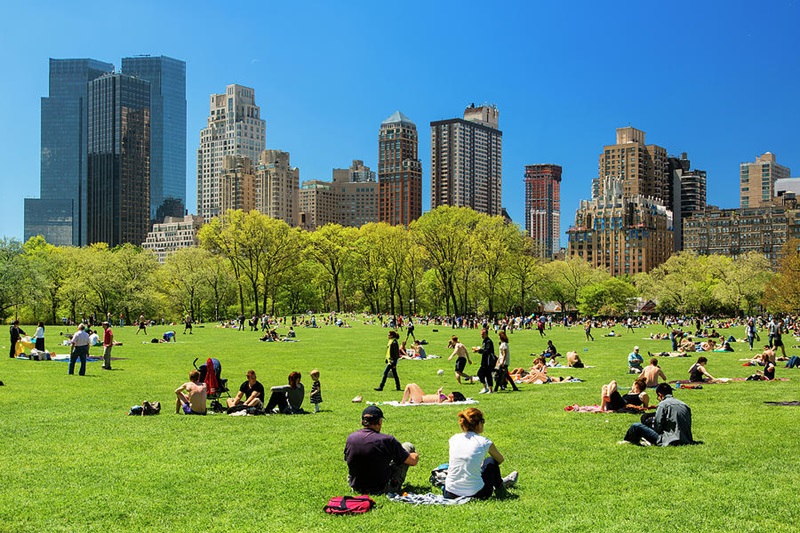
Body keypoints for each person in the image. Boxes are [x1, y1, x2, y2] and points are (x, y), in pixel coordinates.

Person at [443, 407, 518, 499]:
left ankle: (502, 483)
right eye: (482, 421)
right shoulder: (484, 442)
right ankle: (500, 489)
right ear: (478, 424)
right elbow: (500, 459)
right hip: (477, 493)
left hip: (450, 493)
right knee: (491, 461)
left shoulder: (453, 439)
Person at [344, 405, 419, 494]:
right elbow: (412, 461)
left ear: (362, 421)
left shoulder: (351, 438)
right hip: (383, 488)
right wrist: (415, 455)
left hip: (357, 487)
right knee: (408, 446)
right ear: (380, 421)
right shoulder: (387, 440)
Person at [623, 383, 694, 446]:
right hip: (686, 439)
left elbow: (657, 426)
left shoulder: (662, 405)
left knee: (636, 426)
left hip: (669, 440)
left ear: (660, 395)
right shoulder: (684, 405)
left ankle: (629, 441)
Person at [473, 328, 497, 394]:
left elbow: (487, 351)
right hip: (484, 361)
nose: (482, 336)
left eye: (483, 334)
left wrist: (479, 350)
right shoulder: (484, 341)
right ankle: (487, 388)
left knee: (485, 374)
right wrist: (478, 351)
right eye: (481, 334)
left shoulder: (488, 341)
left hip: (488, 361)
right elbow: (484, 351)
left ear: (486, 334)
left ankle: (489, 389)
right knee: (482, 374)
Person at [400, 383, 465, 404]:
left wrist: (439, 393)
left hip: (421, 399)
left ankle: (402, 402)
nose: (450, 393)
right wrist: (438, 392)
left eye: (452, 393)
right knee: (413, 384)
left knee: (409, 386)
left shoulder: (448, 400)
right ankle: (409, 400)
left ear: (454, 396)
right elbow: (435, 397)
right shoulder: (446, 397)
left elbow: (439, 403)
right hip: (423, 396)